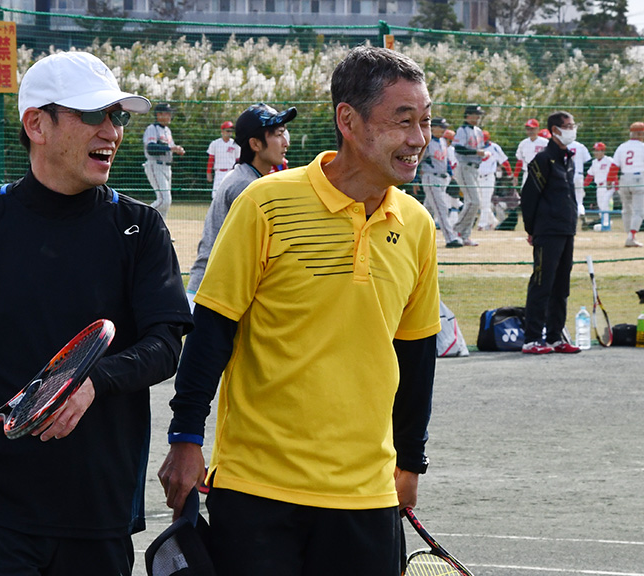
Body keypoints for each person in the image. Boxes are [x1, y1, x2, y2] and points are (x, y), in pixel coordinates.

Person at [0, 51, 193, 575]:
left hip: (99, 507)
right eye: (94, 115)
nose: (112, 131)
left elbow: (166, 344)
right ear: (37, 124)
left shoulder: (139, 228)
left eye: (117, 116)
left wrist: (95, 380)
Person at [157, 45, 440, 575]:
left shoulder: (419, 225)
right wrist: (186, 437)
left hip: (367, 493)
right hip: (257, 487)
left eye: (424, 122)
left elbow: (416, 355)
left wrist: (410, 462)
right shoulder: (265, 203)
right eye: (403, 122)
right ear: (348, 120)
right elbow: (213, 329)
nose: (418, 139)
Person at [186, 103, 297, 310]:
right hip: (213, 297)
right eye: (279, 134)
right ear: (255, 144)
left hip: (214, 292)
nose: (285, 143)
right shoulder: (244, 186)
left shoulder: (248, 177)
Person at [519, 111, 582, 355]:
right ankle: (533, 338)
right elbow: (529, 196)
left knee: (561, 285)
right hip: (548, 231)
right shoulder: (543, 160)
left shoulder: (568, 159)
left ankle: (556, 336)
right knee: (542, 283)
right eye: (567, 126)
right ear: (555, 130)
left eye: (572, 125)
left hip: (566, 229)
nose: (571, 129)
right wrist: (531, 229)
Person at [608, 121, 644, 247]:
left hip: (624, 178)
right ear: (638, 134)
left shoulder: (622, 147)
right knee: (638, 210)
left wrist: (609, 180)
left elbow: (614, 167)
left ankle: (629, 235)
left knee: (626, 209)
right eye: (643, 133)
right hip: (638, 179)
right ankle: (631, 236)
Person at [451, 104, 491, 246]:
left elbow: (479, 149)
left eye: (479, 114)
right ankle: (456, 230)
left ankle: (465, 235)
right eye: (476, 114)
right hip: (464, 167)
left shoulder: (478, 131)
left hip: (475, 168)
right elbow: (459, 148)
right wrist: (477, 153)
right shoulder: (462, 130)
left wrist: (483, 154)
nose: (478, 117)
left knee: (474, 202)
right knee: (473, 201)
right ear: (468, 115)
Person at [420, 116, 462, 247]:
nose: (444, 129)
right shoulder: (426, 142)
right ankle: (450, 238)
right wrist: (415, 180)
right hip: (431, 177)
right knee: (442, 208)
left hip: (443, 179)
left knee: (427, 210)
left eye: (445, 127)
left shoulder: (443, 141)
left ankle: (413, 236)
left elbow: (446, 161)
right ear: (433, 128)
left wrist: (451, 175)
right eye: (442, 127)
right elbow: (418, 161)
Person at [144, 102, 186, 217]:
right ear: (158, 115)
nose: (169, 116)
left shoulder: (167, 130)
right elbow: (151, 148)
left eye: (169, 113)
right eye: (167, 113)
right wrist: (171, 148)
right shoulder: (152, 128)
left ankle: (160, 232)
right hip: (155, 165)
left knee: (166, 203)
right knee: (164, 200)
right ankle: (142, 217)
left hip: (167, 167)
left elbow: (170, 147)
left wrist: (177, 149)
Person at [476, 130, 511, 231]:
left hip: (489, 177)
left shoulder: (494, 147)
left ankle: (482, 224)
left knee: (486, 202)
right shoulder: (475, 147)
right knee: (479, 202)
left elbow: (504, 161)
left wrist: (510, 174)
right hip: (477, 177)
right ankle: (493, 221)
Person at [583, 142, 616, 229]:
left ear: (603, 151)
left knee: (605, 204)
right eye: (595, 150)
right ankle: (604, 221)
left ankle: (606, 223)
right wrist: (584, 186)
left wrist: (615, 184)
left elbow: (614, 171)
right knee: (600, 205)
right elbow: (590, 175)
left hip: (608, 185)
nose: (596, 153)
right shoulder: (594, 162)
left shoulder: (609, 160)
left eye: (598, 150)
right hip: (599, 186)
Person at [206, 120, 240, 196]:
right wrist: (208, 172)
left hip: (231, 172)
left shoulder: (235, 144)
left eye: (231, 131)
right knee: (216, 195)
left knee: (231, 194)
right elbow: (211, 159)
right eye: (227, 131)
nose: (229, 133)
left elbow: (238, 160)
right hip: (219, 172)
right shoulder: (215, 143)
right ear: (222, 131)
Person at [513, 118, 547, 183]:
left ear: (537, 129)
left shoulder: (545, 143)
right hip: (527, 173)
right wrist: (515, 176)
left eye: (532, 129)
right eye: (528, 129)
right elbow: (520, 161)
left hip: (543, 173)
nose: (530, 131)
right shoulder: (523, 143)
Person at [566, 138, 591, 217]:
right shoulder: (580, 146)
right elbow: (587, 160)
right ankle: (581, 213)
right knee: (579, 200)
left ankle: (570, 215)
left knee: (567, 197)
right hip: (579, 174)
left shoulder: (563, 145)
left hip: (567, 174)